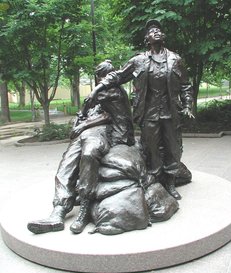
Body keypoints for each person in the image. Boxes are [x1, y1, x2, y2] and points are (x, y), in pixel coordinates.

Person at [88, 20, 194, 200]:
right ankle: (154, 180)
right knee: (150, 148)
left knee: (172, 148)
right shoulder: (139, 61)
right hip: (149, 113)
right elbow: (118, 76)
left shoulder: (175, 60)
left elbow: (185, 86)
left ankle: (170, 182)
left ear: (164, 36)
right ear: (147, 39)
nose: (157, 32)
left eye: (159, 30)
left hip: (171, 113)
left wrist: (188, 106)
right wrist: (98, 88)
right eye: (152, 31)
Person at [27, 60, 135, 234]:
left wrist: (83, 124)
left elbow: (106, 114)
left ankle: (84, 208)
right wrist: (80, 121)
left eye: (106, 76)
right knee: (67, 161)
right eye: (102, 76)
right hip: (85, 133)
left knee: (89, 153)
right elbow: (84, 111)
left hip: (102, 132)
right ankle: (58, 211)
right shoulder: (99, 93)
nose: (103, 80)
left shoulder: (112, 91)